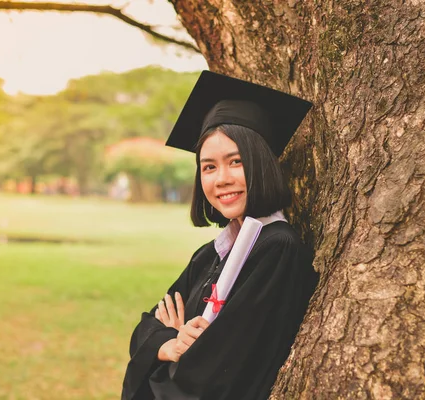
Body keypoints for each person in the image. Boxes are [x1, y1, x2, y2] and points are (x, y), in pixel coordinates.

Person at [121, 71, 319, 400]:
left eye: (236, 162)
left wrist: (178, 339)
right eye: (209, 167)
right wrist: (171, 344)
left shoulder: (276, 250)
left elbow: (214, 376)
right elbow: (144, 331)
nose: (221, 179)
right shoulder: (209, 254)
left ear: (262, 163)